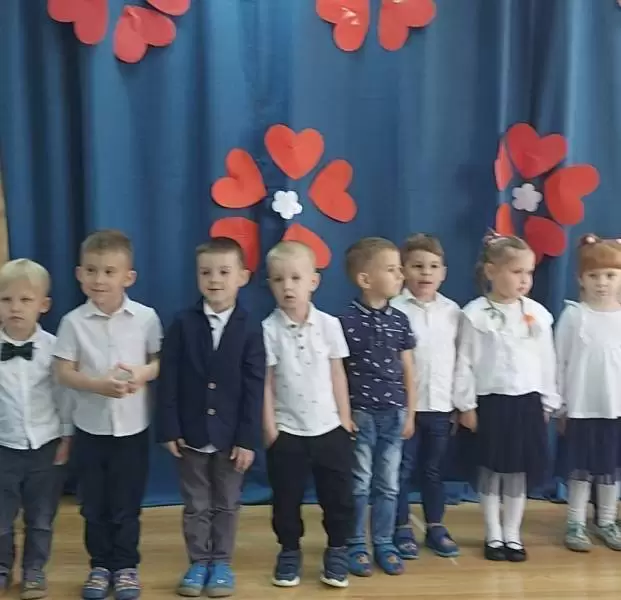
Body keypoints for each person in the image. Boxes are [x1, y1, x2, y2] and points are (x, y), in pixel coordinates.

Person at [54, 230, 163, 600]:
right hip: (90, 429)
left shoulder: (146, 318)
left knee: (126, 504)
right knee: (94, 505)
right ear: (79, 274)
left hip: (133, 430)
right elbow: (63, 372)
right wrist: (97, 386)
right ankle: (100, 565)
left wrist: (142, 373)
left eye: (109, 271)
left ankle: (126, 565)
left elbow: (159, 361)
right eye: (91, 270)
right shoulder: (72, 322)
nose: (99, 279)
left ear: (128, 277)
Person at [155, 237, 265, 598]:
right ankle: (198, 561)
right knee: (196, 503)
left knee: (227, 503)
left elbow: (254, 388)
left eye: (223, 272)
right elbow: (169, 378)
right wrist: (169, 427)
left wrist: (247, 439)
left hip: (231, 437)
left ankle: (221, 563)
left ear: (242, 277)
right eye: (205, 272)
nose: (214, 279)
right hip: (191, 433)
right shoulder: (183, 322)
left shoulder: (251, 327)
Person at [453, 231, 560, 563]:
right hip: (491, 403)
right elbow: (465, 362)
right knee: (492, 469)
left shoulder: (537, 316)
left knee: (517, 472)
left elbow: (547, 362)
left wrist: (547, 401)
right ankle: (493, 533)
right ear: (491, 271)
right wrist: (466, 404)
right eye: (516, 272)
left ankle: (512, 533)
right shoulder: (475, 314)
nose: (524, 280)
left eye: (529, 272)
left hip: (526, 403)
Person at [262, 241, 354, 589]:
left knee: (338, 497)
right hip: (288, 431)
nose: (287, 287)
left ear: (313, 281)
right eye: (278, 279)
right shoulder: (267, 330)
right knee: (286, 499)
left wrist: (344, 419)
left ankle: (338, 548)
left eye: (296, 278)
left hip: (329, 427)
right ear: (269, 284)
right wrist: (270, 429)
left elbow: (337, 373)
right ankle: (289, 550)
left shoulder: (329, 325)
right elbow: (267, 384)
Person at [340, 237, 416, 577]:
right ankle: (356, 542)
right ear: (365, 279)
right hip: (361, 415)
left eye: (400, 269)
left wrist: (410, 412)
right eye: (392, 269)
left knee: (388, 483)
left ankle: (383, 541)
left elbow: (408, 369)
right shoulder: (345, 321)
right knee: (359, 482)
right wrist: (343, 415)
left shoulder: (400, 320)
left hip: (394, 413)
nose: (400, 275)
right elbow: (338, 372)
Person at [0, 260, 71, 600]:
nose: (15, 307)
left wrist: (67, 436)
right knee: (1, 518)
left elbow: (64, 396)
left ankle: (34, 570)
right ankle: (2, 567)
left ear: (43, 305)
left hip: (45, 445)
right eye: (6, 299)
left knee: (41, 517)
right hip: (3, 447)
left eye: (25, 300)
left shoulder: (55, 349)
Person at [391, 234, 460, 559]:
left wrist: (458, 403)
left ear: (443, 272)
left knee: (433, 470)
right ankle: (401, 526)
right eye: (417, 266)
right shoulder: (394, 309)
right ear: (403, 270)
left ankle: (435, 525)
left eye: (433, 266)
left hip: (440, 406)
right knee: (401, 469)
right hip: (404, 409)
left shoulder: (452, 312)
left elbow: (459, 360)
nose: (425, 273)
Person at [556, 234, 621, 552]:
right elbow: (560, 361)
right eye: (594, 276)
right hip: (581, 407)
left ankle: (606, 520)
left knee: (610, 468)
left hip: (614, 408)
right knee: (580, 469)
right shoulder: (574, 316)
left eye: (610, 275)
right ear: (581, 279)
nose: (602, 283)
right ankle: (575, 522)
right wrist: (560, 405)